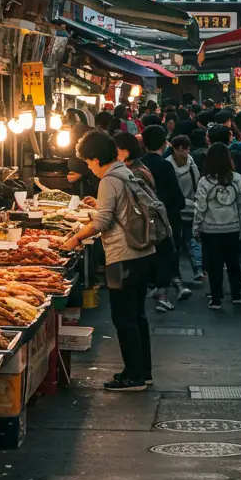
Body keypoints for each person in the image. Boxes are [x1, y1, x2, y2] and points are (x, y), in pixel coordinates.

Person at [63, 130, 155, 391]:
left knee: (124, 317)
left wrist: (76, 238)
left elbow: (103, 222)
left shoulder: (109, 181)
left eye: (88, 162)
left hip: (123, 257)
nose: (89, 168)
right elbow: (116, 212)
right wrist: (98, 207)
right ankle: (142, 371)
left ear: (95, 158)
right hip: (142, 253)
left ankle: (134, 377)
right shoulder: (125, 172)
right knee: (137, 316)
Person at [193, 143, 241, 310]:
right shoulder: (237, 178)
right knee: (234, 262)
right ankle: (237, 295)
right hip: (233, 228)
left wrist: (196, 227)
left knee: (214, 264)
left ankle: (216, 298)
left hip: (210, 229)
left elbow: (200, 207)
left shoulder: (205, 181)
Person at [141, 123, 190, 309]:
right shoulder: (165, 166)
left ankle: (149, 288)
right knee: (165, 254)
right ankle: (162, 295)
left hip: (142, 220)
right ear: (164, 144)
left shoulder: (137, 165)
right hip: (165, 218)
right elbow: (176, 196)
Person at [168, 134, 203, 280]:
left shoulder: (191, 164)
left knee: (192, 240)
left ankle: (198, 269)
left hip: (191, 208)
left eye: (187, 148)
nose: (185, 152)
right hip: (175, 210)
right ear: (175, 149)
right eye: (182, 149)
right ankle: (175, 276)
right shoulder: (167, 166)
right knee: (175, 244)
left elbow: (197, 185)